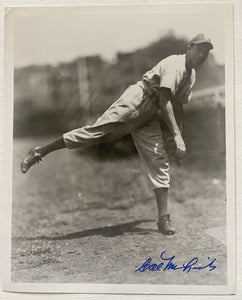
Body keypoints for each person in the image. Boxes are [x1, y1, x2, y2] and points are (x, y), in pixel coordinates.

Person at [20, 33, 213, 235]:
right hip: (138, 99)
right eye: (199, 50)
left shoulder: (191, 76)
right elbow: (165, 101)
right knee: (94, 133)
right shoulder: (176, 64)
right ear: (189, 48)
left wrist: (178, 136)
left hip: (149, 114)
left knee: (159, 160)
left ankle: (163, 218)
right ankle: (40, 151)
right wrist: (176, 135)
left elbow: (178, 105)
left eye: (206, 52)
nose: (202, 55)